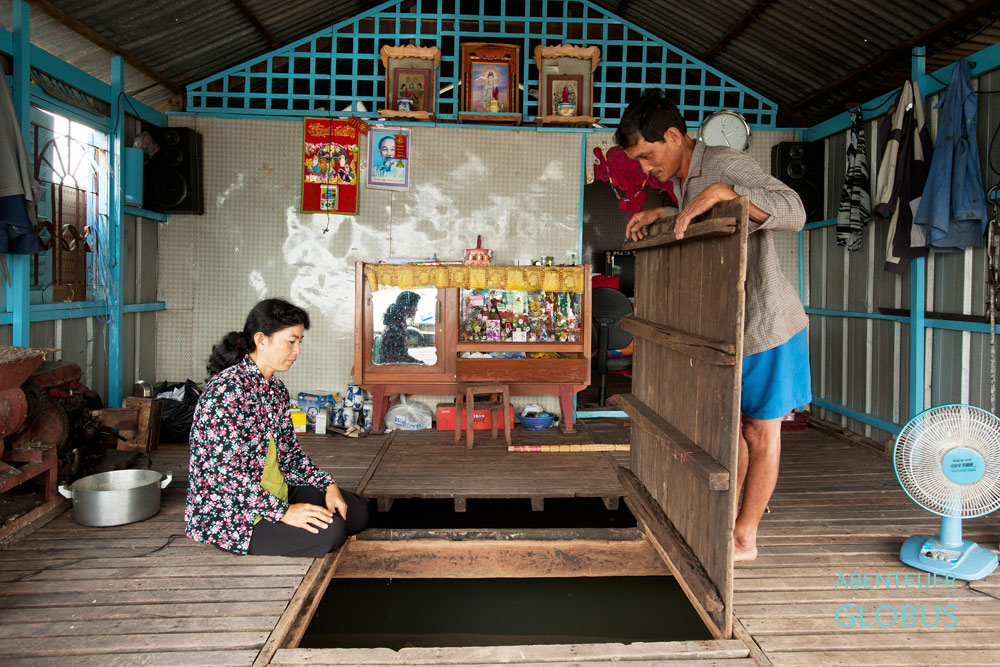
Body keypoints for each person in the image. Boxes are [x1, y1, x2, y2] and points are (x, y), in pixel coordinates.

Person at [615, 89, 811, 562]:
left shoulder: (723, 163)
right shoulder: (684, 180)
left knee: (761, 433)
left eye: (647, 156)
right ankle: (727, 520)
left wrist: (731, 193)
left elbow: (794, 210)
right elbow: (710, 215)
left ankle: (745, 537)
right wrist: (665, 213)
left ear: (674, 136)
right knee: (733, 430)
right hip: (730, 330)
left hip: (766, 325)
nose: (645, 170)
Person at [185, 298, 369, 557]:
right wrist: (284, 512)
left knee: (356, 512)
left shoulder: (275, 390)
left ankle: (291, 509)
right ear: (261, 340)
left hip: (278, 491)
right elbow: (224, 476)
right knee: (333, 532)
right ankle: (270, 523)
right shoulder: (226, 392)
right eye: (291, 341)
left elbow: (289, 453)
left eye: (300, 342)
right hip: (233, 511)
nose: (298, 351)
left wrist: (327, 484)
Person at [378, 290, 422, 364]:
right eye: (415, 306)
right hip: (390, 370)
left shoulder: (396, 321)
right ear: (406, 306)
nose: (416, 309)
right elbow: (401, 358)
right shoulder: (397, 326)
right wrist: (420, 364)